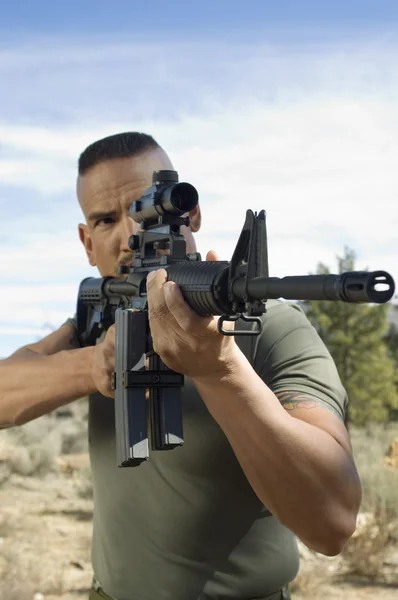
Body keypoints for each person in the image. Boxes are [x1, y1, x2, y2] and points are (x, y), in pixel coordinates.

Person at [0, 132, 362, 600]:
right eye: (106, 220)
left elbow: (332, 522)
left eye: (142, 209)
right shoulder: (96, 320)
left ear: (189, 215)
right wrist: (95, 363)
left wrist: (220, 371)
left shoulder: (271, 328)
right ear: (88, 243)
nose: (130, 233)